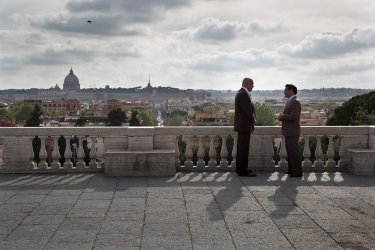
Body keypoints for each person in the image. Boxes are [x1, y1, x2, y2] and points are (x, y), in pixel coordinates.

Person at [277, 84, 302, 177]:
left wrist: (281, 116)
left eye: (286, 89)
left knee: (294, 152)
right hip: (289, 131)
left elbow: (294, 116)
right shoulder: (290, 101)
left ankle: (297, 172)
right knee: (290, 152)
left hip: (292, 131)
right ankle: (292, 170)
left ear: (291, 90)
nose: (284, 91)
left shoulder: (295, 102)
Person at [234, 78, 256, 177]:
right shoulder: (243, 94)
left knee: (241, 148)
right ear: (247, 83)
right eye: (252, 84)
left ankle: (240, 168)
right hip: (244, 125)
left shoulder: (241, 93)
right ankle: (243, 170)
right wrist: (253, 120)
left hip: (242, 125)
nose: (253, 86)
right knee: (243, 148)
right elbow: (247, 111)